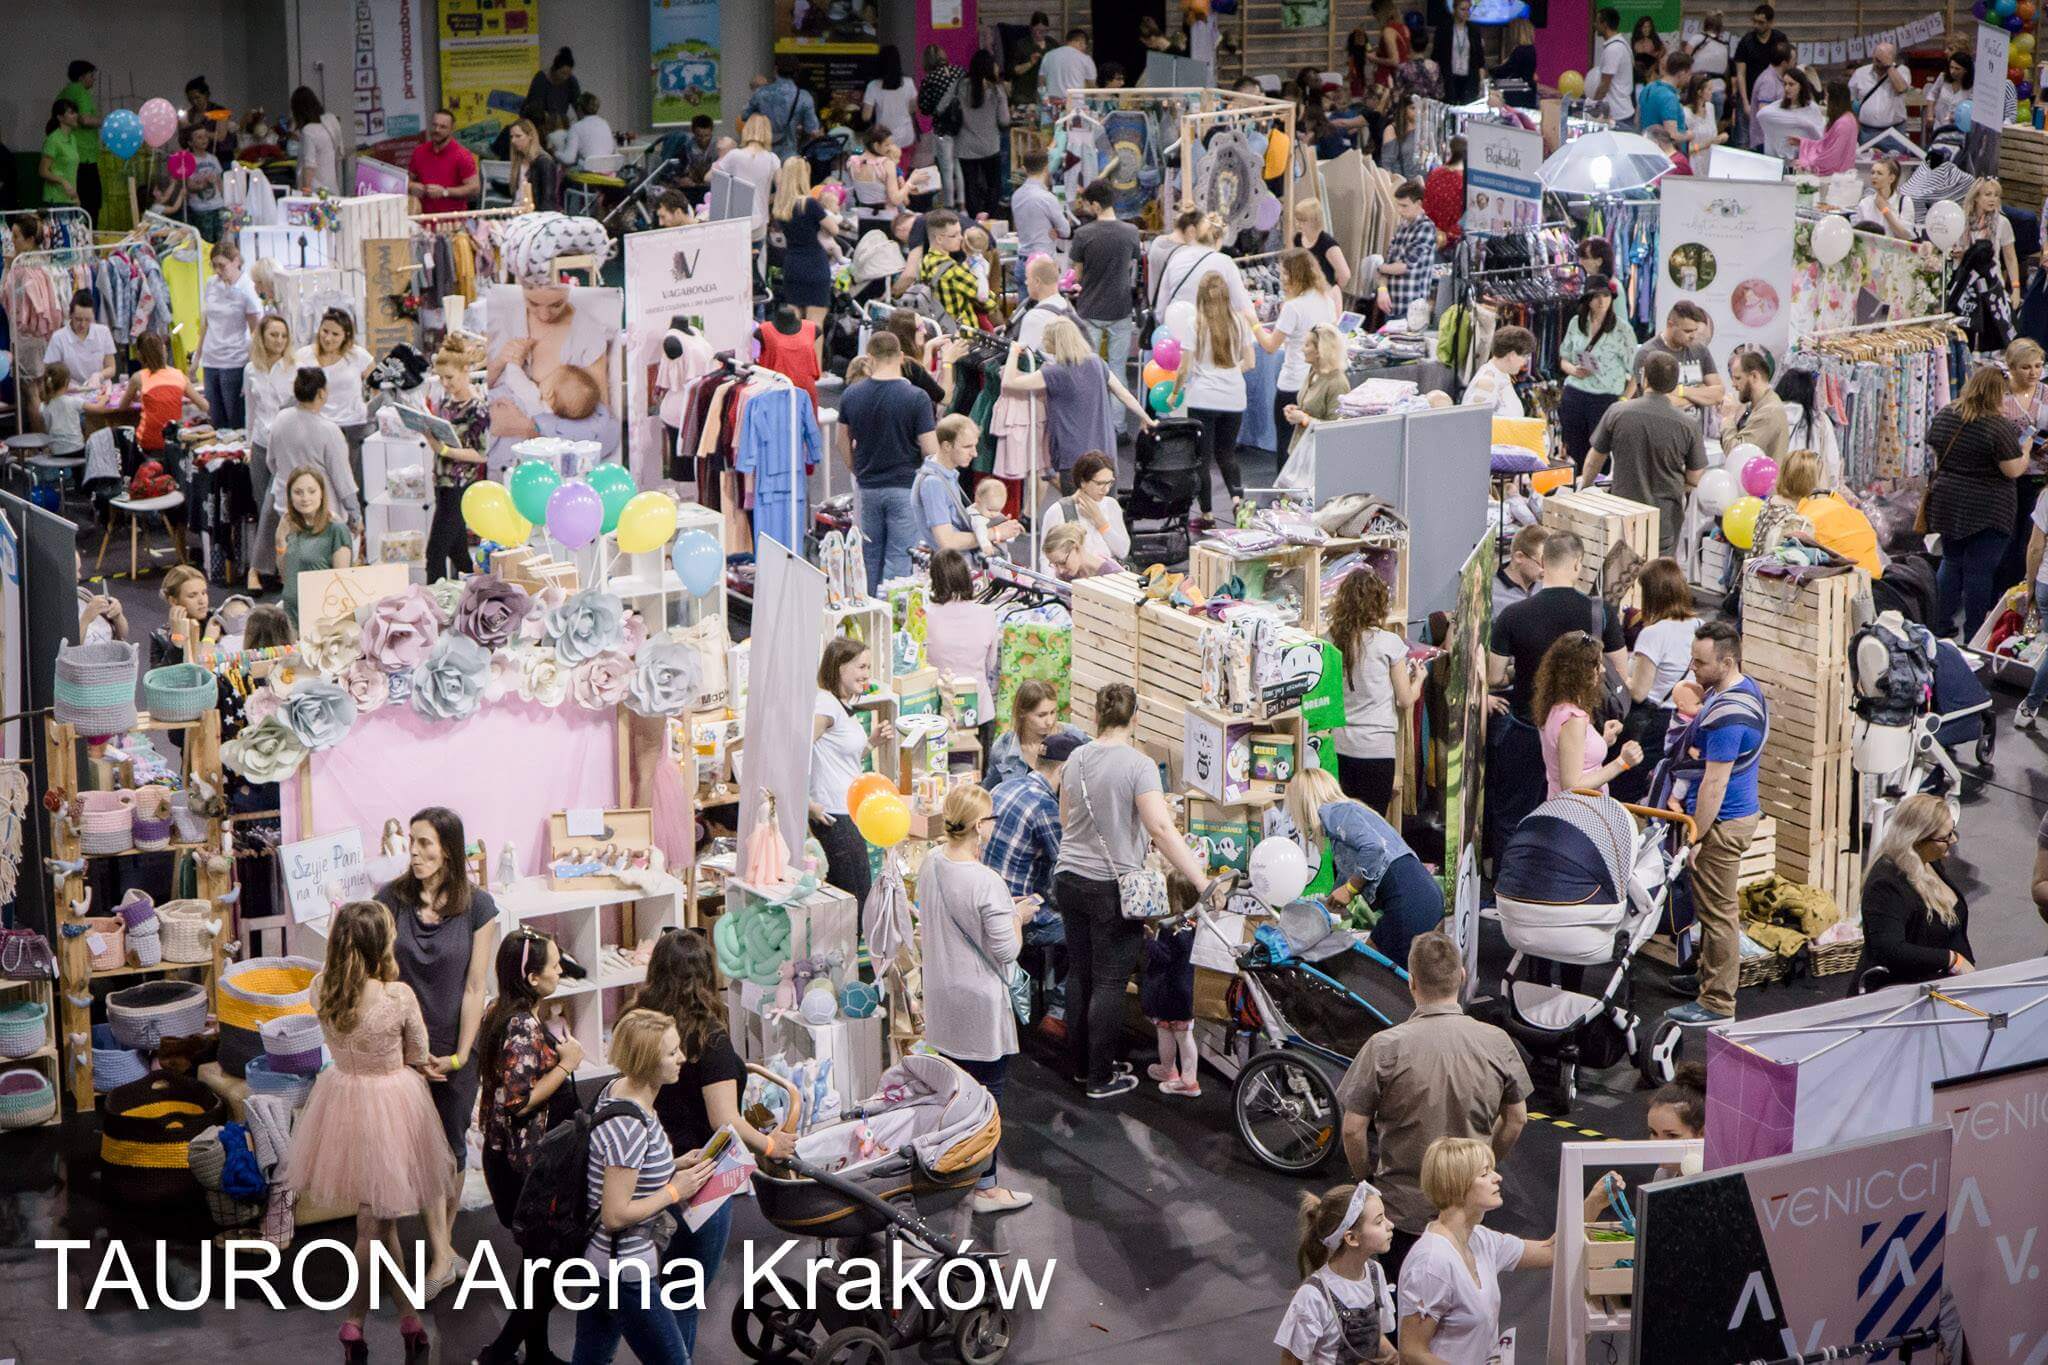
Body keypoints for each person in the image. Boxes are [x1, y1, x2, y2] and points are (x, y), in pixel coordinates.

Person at [284, 900, 459, 1361]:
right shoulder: (397, 996)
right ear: (380, 943)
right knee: (371, 1227)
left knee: (383, 1223)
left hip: (342, 1101)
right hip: (391, 1107)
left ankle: (409, 1319)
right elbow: (417, 1053)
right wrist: (427, 1064)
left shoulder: (321, 989)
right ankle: (354, 1321)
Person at [1337, 932, 1530, 1287]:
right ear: (1461, 977)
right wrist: (1483, 1165)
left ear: (1411, 982)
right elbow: (1517, 1119)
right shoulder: (1497, 1042)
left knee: (1402, 1304)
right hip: (1467, 1208)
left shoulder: (1384, 1048)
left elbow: (1352, 1129)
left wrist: (1366, 1180)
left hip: (1403, 1211)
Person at [637, 930, 796, 1354]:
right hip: (704, 1174)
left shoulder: (642, 1024)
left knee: (659, 1281)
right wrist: (770, 1146)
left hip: (651, 1164)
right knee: (687, 1292)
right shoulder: (709, 1040)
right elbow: (724, 1119)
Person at [1054, 683, 1214, 1100]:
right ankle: (1100, 1077)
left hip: (1068, 878)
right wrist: (1201, 880)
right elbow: (1160, 827)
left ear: (1096, 715)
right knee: (1109, 982)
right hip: (1111, 888)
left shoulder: (1075, 759)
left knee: (1080, 975)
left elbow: (1066, 819)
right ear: (1135, 717)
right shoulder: (1139, 766)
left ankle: (1081, 1068)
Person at [375, 807, 502, 1239]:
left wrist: (460, 1056)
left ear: (447, 849)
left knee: (451, 1144)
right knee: (406, 1146)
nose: (413, 851)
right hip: (402, 1046)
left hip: (454, 1045)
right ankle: (412, 1245)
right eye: (411, 841)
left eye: (423, 842)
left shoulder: (478, 907)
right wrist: (407, 1050)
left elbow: (475, 986)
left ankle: (442, 1245)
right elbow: (381, 974)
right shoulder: (392, 899)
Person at [571, 1009, 716, 1365]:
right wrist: (675, 1191)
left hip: (604, 1264)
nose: (682, 1058)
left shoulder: (618, 1091)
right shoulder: (630, 1125)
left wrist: (673, 1165)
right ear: (647, 1062)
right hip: (624, 1270)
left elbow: (624, 1170)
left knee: (591, 1358)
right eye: (672, 1052)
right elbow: (615, 1214)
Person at [917, 783, 1036, 1210]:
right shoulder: (987, 882)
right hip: (979, 1006)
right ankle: (985, 1186)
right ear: (980, 826)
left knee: (950, 1092)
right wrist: (1018, 916)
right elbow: (1007, 950)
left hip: (941, 998)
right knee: (987, 1096)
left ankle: (949, 1172)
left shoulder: (932, 863)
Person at [471, 927, 579, 1365]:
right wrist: (566, 1065)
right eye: (554, 964)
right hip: (525, 1168)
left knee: (539, 1260)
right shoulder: (519, 1026)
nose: (561, 969)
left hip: (509, 1161)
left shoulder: (502, 1013)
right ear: (532, 978)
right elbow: (518, 1102)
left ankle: (536, 1352)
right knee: (550, 1262)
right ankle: (499, 1351)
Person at [1664, 622, 1770, 1024]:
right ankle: (1707, 978)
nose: (1692, 667)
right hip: (1731, 816)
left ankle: (1717, 1002)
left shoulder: (1728, 718)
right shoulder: (1743, 690)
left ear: (1727, 662)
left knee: (1718, 914)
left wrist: (1696, 836)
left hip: (1722, 822)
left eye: (1701, 662)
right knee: (1710, 908)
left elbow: (1714, 785)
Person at [1397, 1137, 1556, 1364]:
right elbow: (1412, 1352)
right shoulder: (1432, 1263)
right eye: (1484, 1173)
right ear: (1457, 1185)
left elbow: (1551, 1252)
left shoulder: (1481, 1239)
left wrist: (1594, 1201)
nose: (1498, 1177)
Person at [1925, 364, 2026, 639]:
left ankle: (1939, 625)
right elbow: (2013, 470)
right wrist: (2027, 449)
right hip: (1988, 507)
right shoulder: (1997, 426)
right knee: (1979, 572)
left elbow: (1934, 445)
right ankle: (1974, 634)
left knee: (1950, 561)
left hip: (1948, 500)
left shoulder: (1947, 414)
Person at [1488, 530, 1629, 722]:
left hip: (1530, 722)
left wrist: (1517, 672)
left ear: (1543, 562)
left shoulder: (1512, 614)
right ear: (1577, 564)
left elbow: (1494, 677)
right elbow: (1620, 673)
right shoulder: (1601, 612)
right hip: (1583, 723)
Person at [1581, 351, 1708, 556]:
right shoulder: (1688, 425)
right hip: (1664, 519)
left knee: (1621, 571)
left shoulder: (1617, 412)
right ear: (1675, 384)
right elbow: (1695, 477)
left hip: (1622, 516)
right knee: (1659, 573)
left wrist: (1584, 489)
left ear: (1644, 378)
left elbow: (1593, 461)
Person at [839, 332, 937, 595]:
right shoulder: (917, 397)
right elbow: (930, 449)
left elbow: (841, 441)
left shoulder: (852, 394)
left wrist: (857, 470)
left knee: (868, 557)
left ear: (870, 358)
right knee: (900, 559)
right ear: (901, 357)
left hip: (868, 488)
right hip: (905, 488)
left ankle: (868, 610)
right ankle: (892, 615)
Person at [1002, 323, 1150, 493]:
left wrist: (1013, 353)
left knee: (1076, 508)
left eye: (1046, 337)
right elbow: (1123, 394)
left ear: (1056, 342)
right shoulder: (1096, 362)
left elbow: (1009, 383)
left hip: (1073, 458)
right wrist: (1146, 417)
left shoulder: (1053, 372)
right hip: (1105, 454)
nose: (1042, 340)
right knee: (1108, 506)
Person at [810, 636, 896, 908]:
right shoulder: (825, 705)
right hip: (834, 815)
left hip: (848, 810)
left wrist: (871, 743)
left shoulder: (840, 706)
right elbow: (796, 754)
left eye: (868, 667)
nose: (867, 675)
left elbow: (841, 760)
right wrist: (807, 804)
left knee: (856, 897)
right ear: (839, 667)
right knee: (854, 900)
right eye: (861, 667)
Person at [1328, 570, 1423, 814]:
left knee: (1343, 822)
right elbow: (1405, 700)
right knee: (1372, 823)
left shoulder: (1330, 640)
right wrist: (1419, 679)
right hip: (1377, 748)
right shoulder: (1389, 643)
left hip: (1339, 746)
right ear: (1380, 603)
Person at [260, 367, 362, 593]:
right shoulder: (329, 430)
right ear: (322, 393)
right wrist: (355, 515)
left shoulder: (280, 419)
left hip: (287, 507)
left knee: (292, 570)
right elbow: (343, 479)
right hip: (323, 515)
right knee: (328, 577)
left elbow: (271, 462)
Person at [1856, 793, 1975, 987]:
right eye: (1945, 837)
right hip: (1904, 990)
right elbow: (1889, 949)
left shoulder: (1930, 862)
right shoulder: (1886, 884)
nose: (1953, 840)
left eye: (1952, 831)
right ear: (1917, 841)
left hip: (1945, 982)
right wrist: (1951, 959)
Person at [1280, 1182, 1399, 1365]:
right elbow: (1290, 1359)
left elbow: (1377, 1334)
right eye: (1379, 1221)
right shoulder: (1313, 1296)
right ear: (1351, 1238)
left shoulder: (1375, 1273)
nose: (1390, 1225)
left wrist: (1393, 1355)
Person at [1169, 273, 1256, 516]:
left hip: (1203, 399)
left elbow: (1184, 369)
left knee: (1202, 459)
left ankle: (1207, 514)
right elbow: (1250, 362)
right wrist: (1229, 373)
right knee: (1227, 454)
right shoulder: (1240, 322)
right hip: (1234, 398)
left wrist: (1174, 393)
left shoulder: (1194, 324)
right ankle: (1238, 502)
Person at [1617, 558, 1699, 798]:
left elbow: (1638, 692)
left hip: (1653, 724)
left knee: (1629, 789)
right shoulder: (1700, 626)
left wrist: (1618, 677)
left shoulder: (1653, 634)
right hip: (1686, 721)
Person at [1069, 181, 1142, 435]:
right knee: (1118, 370)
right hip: (1121, 308)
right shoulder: (1131, 231)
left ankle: (1091, 426)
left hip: (1090, 308)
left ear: (1096, 205)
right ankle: (1118, 427)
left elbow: (1077, 275)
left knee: (1088, 370)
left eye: (1087, 204)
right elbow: (1132, 263)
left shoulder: (1083, 234)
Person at [1534, 632, 1645, 797]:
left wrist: (1603, 741)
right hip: (1578, 809)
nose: (1603, 670)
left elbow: (1571, 756)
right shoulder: (1573, 719)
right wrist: (1622, 762)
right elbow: (1572, 786)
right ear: (1581, 672)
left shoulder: (1555, 706)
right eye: (1598, 664)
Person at [1255, 250, 1339, 450]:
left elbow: (1270, 346)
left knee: (1287, 446)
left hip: (1293, 384)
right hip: (1318, 382)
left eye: (1284, 273)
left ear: (1294, 275)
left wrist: (1253, 324)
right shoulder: (1327, 302)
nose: (1281, 278)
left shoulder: (1293, 307)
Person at [1556, 275, 1637, 470]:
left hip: (1605, 398)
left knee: (1601, 456)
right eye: (1596, 296)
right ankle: (1577, 485)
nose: (1602, 301)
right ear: (1588, 300)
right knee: (1574, 451)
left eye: (1606, 296)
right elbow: (1563, 358)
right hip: (1575, 393)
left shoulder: (1622, 330)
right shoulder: (1577, 323)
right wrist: (1574, 370)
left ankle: (1594, 486)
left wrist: (1624, 399)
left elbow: (1637, 371)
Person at [296, 307, 375, 488]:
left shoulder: (358, 355)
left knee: (354, 482)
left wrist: (367, 406)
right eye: (325, 331)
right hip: (318, 427)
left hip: (354, 425)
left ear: (346, 335)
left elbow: (377, 382)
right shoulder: (304, 356)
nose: (328, 338)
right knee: (324, 481)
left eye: (335, 334)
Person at [924, 548, 1002, 731]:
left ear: (934, 579)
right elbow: (990, 664)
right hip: (979, 708)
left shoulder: (924, 615)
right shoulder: (988, 614)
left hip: (938, 709)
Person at [198, 238, 263, 430]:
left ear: (236, 261)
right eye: (214, 266)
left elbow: (255, 331)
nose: (218, 271)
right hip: (211, 359)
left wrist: (254, 366)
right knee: (214, 418)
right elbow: (206, 322)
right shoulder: (211, 284)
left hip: (234, 359)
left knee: (234, 419)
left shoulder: (247, 289)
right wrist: (197, 356)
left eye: (222, 265)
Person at [277, 467, 354, 629]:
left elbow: (341, 584)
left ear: (322, 494)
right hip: (291, 618)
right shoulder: (290, 527)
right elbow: (286, 577)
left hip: (321, 622)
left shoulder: (336, 530)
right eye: (298, 492)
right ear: (290, 496)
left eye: (312, 491)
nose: (305, 498)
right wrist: (280, 541)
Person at [770, 158, 839, 325]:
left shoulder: (781, 206)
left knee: (792, 325)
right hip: (815, 264)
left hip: (792, 264)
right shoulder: (810, 203)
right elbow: (834, 229)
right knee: (815, 325)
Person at [986, 678, 1086, 788]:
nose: (1050, 721)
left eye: (1053, 712)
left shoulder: (1073, 736)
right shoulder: (1004, 746)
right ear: (1022, 713)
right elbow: (989, 790)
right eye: (1041, 715)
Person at [123, 331, 207, 460]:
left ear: (139, 355)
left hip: (148, 444)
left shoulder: (137, 377)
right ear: (164, 350)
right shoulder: (179, 375)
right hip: (175, 442)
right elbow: (204, 406)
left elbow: (122, 406)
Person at [1629, 301, 1723, 416]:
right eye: (1687, 331)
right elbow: (1655, 402)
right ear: (1670, 325)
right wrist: (1701, 396)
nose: (1693, 336)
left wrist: (1680, 391)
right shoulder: (1648, 353)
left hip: (1695, 426)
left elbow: (1719, 394)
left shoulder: (1700, 350)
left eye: (1695, 330)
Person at [1038, 450, 1129, 563]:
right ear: (1082, 482)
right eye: (1099, 483)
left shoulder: (1111, 505)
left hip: (1109, 572)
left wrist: (1100, 522)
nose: (1106, 489)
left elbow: (1123, 551)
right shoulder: (1057, 511)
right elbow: (1046, 558)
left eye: (1109, 483)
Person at [955, 51, 1011, 219]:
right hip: (990, 145)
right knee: (993, 184)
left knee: (969, 185)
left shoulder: (961, 86)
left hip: (964, 146)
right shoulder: (996, 90)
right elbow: (1004, 120)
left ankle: (974, 218)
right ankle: (989, 216)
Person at [1282, 324, 1353, 455]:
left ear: (1320, 350)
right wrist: (1298, 410)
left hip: (1320, 455)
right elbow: (1314, 408)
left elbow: (1336, 428)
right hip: (1302, 449)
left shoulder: (1337, 383)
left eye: (1307, 345)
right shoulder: (1314, 372)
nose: (1302, 349)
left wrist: (1304, 419)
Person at [1009, 148, 1071, 292]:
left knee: (1024, 306)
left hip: (1022, 261)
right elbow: (1066, 231)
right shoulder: (1047, 198)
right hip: (1043, 265)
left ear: (1024, 169)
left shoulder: (1016, 196)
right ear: (1046, 168)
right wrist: (1055, 229)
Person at [1376, 180, 1436, 323]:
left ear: (1419, 204)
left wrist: (1378, 267)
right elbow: (1389, 262)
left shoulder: (1426, 228)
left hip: (1411, 308)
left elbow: (1404, 267)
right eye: (1398, 205)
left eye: (1404, 206)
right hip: (1391, 304)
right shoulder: (1402, 227)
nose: (1399, 210)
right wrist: (1382, 290)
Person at [917, 209, 987, 330]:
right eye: (954, 235)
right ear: (939, 239)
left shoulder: (924, 263)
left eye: (960, 233)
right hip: (963, 333)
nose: (961, 238)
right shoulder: (954, 270)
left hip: (937, 329)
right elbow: (989, 302)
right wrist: (980, 273)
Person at [1960, 176, 2022, 313]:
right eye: (1988, 194)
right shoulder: (1962, 221)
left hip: (1993, 284)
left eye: (1996, 195)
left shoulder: (2002, 222)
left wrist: (2016, 288)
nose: (1993, 199)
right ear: (1976, 197)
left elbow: (2010, 258)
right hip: (1966, 284)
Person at [743, 56, 822, 161]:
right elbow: (812, 129)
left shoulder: (761, 93)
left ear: (776, 69)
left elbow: (745, 116)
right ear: (796, 73)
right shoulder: (804, 97)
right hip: (789, 156)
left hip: (763, 154)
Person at [1719, 349, 1790, 461]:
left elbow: (1737, 455)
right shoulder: (1758, 406)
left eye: (1738, 378)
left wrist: (1728, 418)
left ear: (1754, 376)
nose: (1734, 385)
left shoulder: (1769, 412)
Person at [408, 109, 480, 215]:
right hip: (422, 219)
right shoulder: (419, 151)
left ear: (451, 129)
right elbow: (408, 179)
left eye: (443, 127)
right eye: (434, 125)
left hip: (453, 219)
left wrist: (445, 192)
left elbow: (474, 188)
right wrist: (411, 186)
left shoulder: (462, 155)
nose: (437, 130)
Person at [150, 566, 221, 669]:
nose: (202, 601)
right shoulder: (160, 636)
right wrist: (177, 640)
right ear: (173, 601)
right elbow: (160, 676)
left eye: (204, 593)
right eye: (192, 596)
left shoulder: (216, 618)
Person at [44, 290, 116, 388]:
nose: (83, 324)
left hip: (99, 388)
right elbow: (49, 370)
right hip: (69, 391)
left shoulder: (103, 332)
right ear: (70, 315)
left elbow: (111, 367)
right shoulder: (58, 338)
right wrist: (66, 383)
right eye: (78, 319)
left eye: (87, 320)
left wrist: (99, 375)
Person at [57, 61, 102, 217]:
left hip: (69, 154)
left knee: (75, 202)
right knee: (91, 202)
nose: (94, 79)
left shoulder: (65, 91)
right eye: (91, 75)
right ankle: (89, 231)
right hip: (84, 155)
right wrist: (106, 122)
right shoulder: (80, 91)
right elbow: (85, 119)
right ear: (82, 76)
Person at [1732, 3, 1781, 141]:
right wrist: (1745, 102)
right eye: (1754, 21)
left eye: (1761, 22)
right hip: (1749, 93)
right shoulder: (1746, 41)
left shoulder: (1779, 39)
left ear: (1771, 23)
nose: (1756, 25)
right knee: (1744, 139)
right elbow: (1740, 74)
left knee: (1768, 138)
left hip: (1772, 97)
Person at [1460, 327, 1533, 418]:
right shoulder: (1487, 382)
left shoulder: (1502, 374)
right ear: (1512, 355)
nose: (1525, 362)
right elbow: (1473, 421)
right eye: (1524, 356)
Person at [1756, 65, 1825, 161]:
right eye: (1785, 84)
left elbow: (1819, 136)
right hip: (1780, 158)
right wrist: (1796, 121)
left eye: (1791, 84)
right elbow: (1761, 115)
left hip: (1803, 160)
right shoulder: (1778, 106)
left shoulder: (1812, 108)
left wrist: (1807, 126)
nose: (1787, 88)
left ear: (1801, 86)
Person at [1292, 199, 1353, 303]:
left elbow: (1345, 274)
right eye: (1298, 220)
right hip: (1305, 293)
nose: (1298, 224)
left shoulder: (1327, 243)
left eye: (1303, 221)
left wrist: (1333, 290)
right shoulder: (1298, 239)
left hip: (1324, 296)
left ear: (1314, 220)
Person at [1794, 78, 1858, 176]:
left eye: (1827, 96)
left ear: (1834, 98)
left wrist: (1809, 164)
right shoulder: (1844, 118)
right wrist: (1804, 142)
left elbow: (1833, 155)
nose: (1825, 99)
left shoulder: (1844, 123)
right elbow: (1826, 144)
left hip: (1838, 177)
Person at [291, 86, 345, 196]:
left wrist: (306, 190)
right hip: (332, 186)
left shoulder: (308, 131)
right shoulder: (331, 121)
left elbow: (310, 165)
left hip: (316, 191)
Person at [1851, 42, 1910, 139]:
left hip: (1894, 131)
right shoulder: (1860, 73)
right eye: (1877, 57)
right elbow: (1851, 99)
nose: (1879, 61)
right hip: (1866, 131)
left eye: (1883, 57)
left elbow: (1901, 89)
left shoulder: (1902, 70)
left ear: (1892, 58)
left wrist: (1889, 66)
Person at [505, 117, 562, 213]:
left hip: (534, 214)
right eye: (511, 137)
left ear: (530, 136)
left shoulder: (544, 162)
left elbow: (548, 200)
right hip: (517, 210)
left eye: (518, 136)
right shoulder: (519, 160)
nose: (513, 141)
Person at [1592, 8, 1636, 129]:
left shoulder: (1613, 49)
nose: (1594, 25)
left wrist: (1592, 105)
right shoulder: (1621, 45)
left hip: (1618, 116)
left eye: (1597, 22)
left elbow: (1604, 85)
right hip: (1622, 112)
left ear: (1605, 24)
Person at [1856, 156, 1918, 240]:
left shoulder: (1905, 202)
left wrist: (1885, 210)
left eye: (1879, 173)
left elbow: (1905, 235)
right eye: (1872, 172)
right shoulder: (1864, 203)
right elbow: (1858, 235)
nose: (1874, 176)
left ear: (1891, 178)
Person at [1432, 0, 1482, 105]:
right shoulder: (1444, 28)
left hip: (1469, 78)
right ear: (1454, 9)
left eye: (1468, 9)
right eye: (1462, 9)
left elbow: (1479, 59)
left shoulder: (1474, 30)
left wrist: (1481, 82)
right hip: (1448, 77)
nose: (1466, 12)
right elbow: (1436, 55)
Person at [183, 124, 226, 242]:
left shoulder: (213, 158)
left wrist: (224, 200)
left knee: (222, 238)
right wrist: (205, 184)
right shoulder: (188, 160)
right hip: (201, 208)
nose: (204, 139)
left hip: (218, 205)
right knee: (207, 241)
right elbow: (189, 186)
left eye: (206, 136)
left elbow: (219, 181)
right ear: (190, 143)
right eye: (199, 137)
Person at [1492, 525, 1548, 615]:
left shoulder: (1544, 584)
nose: (1545, 572)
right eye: (1542, 564)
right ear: (1519, 557)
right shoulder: (1492, 596)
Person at [1638, 51, 1689, 144]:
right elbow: (1671, 136)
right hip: (1665, 150)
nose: (1688, 79)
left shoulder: (1648, 88)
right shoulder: (1669, 97)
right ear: (1681, 73)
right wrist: (1689, 135)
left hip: (1647, 144)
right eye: (1688, 74)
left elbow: (1637, 120)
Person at [1039, 27, 1098, 106]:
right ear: (1081, 42)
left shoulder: (1048, 55)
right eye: (1085, 46)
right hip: (1076, 106)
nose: (1084, 49)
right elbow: (1092, 86)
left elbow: (1041, 82)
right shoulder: (1085, 59)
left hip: (1052, 105)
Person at [555, 91, 616, 168]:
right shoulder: (605, 124)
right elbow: (613, 150)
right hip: (608, 171)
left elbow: (569, 159)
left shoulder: (576, 127)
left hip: (588, 172)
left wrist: (555, 153)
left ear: (579, 108)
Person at [1490, 18, 1540, 111]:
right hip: (1529, 91)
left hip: (1518, 94)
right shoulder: (1531, 49)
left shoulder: (1520, 51)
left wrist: (1490, 70)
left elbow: (1505, 72)